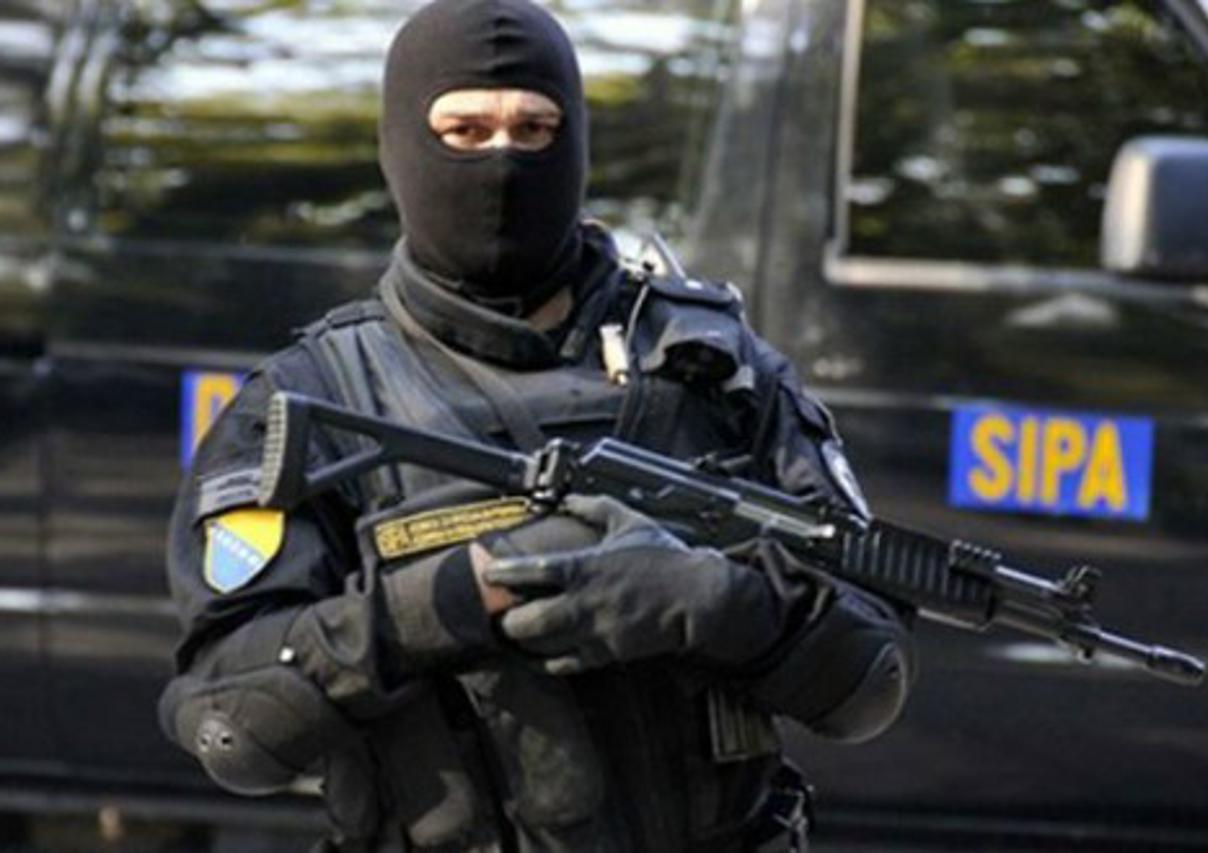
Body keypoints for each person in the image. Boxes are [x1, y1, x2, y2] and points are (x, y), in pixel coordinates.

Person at [159, 1, 914, 850]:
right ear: (401, 145)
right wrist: (445, 602)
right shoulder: (313, 399)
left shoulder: (714, 368)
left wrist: (708, 599)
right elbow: (236, 725)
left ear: (575, 143)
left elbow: (869, 679)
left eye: (534, 128)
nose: (502, 162)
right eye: (464, 131)